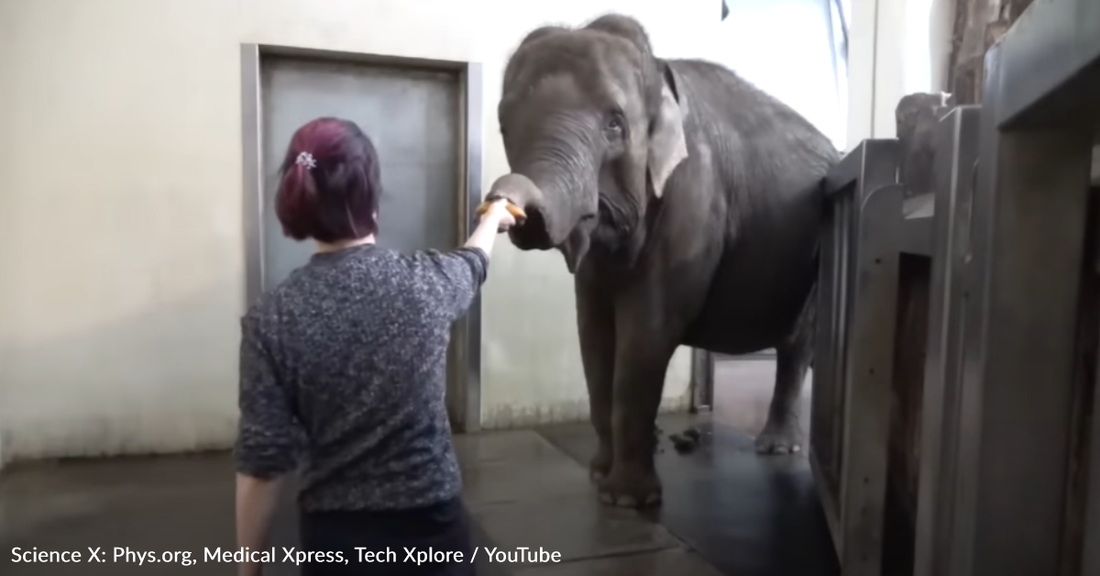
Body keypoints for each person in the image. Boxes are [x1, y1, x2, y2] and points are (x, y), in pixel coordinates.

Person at [234, 117, 516, 576]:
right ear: (371, 196)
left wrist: (248, 572)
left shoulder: (271, 319)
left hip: (335, 545)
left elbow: (261, 465)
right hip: (433, 536)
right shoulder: (427, 284)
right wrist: (493, 216)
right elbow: (474, 260)